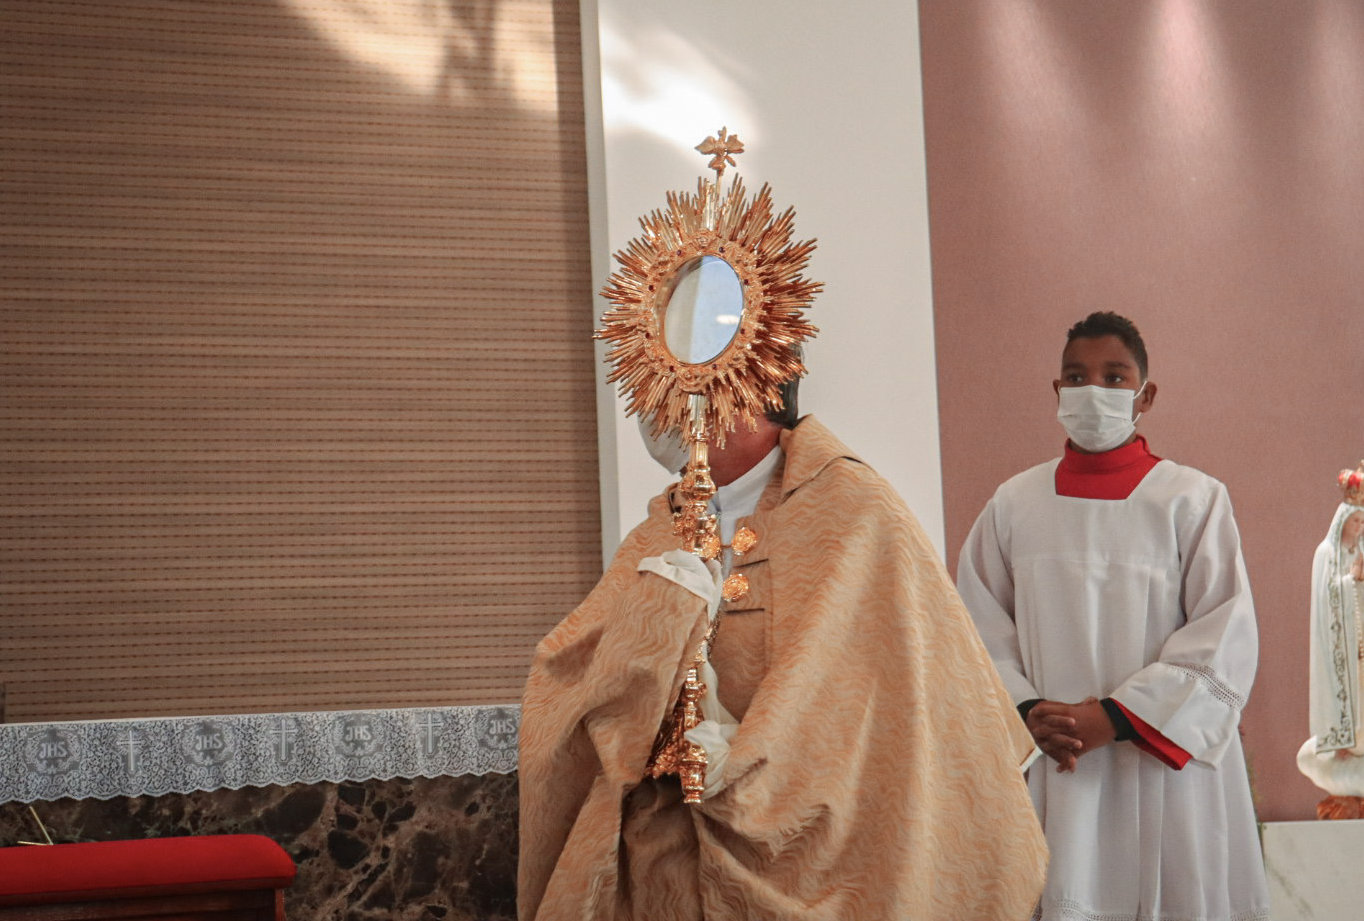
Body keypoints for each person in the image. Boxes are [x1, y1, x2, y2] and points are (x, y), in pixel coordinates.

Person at [516, 380, 1048, 921]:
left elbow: (875, 713)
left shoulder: (855, 512)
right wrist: (651, 652)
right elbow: (574, 678)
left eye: (672, 385)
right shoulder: (663, 526)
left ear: (742, 394)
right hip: (668, 860)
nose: (650, 409)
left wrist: (736, 766)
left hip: (827, 862)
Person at [956, 311, 1270, 921]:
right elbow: (972, 627)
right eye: (1076, 378)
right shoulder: (1014, 504)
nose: (1092, 391)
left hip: (1162, 766)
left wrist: (1116, 717)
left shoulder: (1192, 499)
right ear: (1057, 391)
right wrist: (1027, 711)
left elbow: (1224, 633)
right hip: (1051, 757)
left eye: (1114, 377)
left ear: (1144, 396)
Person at [1296, 466, 1364, 817]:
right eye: (1354, 521)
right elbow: (1327, 598)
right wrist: (1350, 583)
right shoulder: (1325, 553)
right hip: (1340, 645)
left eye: (1363, 522)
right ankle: (1343, 745)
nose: (1359, 528)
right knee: (1346, 693)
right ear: (1342, 520)